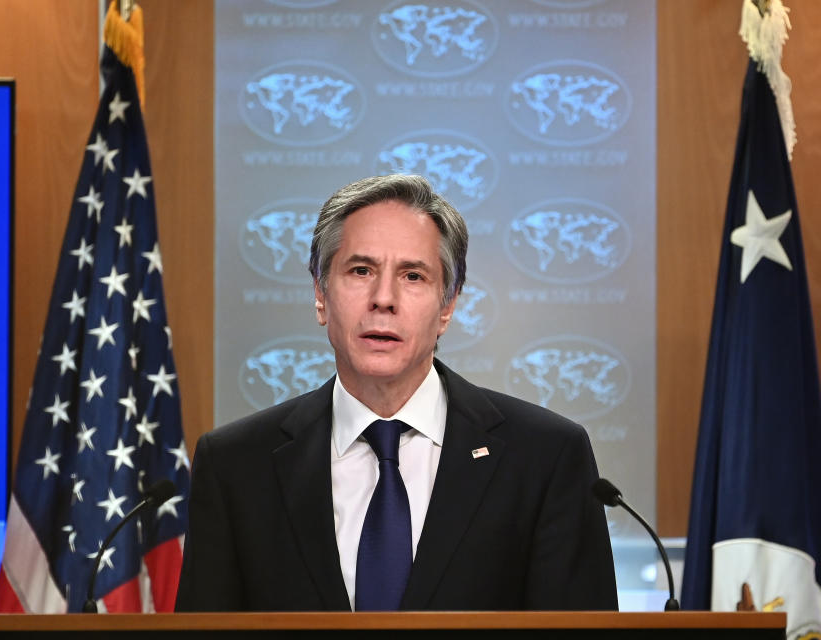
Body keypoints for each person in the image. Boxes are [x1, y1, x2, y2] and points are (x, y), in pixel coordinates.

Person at [176, 174, 617, 611]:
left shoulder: (545, 456)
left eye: (413, 276)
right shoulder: (234, 466)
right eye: (361, 270)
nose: (383, 298)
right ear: (320, 295)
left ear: (447, 306)